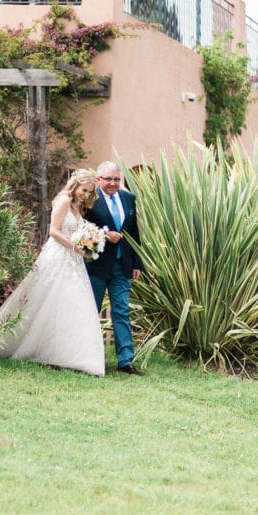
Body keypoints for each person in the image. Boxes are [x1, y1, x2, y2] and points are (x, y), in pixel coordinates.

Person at [0, 169, 105, 376]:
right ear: (75, 185)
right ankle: (37, 348)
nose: (86, 195)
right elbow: (53, 231)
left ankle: (71, 356)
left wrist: (89, 246)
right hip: (58, 257)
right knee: (46, 301)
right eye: (84, 190)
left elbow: (76, 232)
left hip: (73, 262)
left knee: (72, 304)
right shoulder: (62, 200)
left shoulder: (78, 206)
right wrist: (75, 247)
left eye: (89, 193)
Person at [83, 160, 143, 375]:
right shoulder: (90, 199)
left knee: (121, 312)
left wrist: (137, 263)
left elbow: (134, 232)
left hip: (122, 266)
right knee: (91, 311)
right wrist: (103, 234)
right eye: (108, 179)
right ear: (99, 179)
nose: (112, 183)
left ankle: (126, 361)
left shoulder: (128, 198)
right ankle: (87, 358)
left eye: (116, 179)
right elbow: (82, 228)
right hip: (96, 265)